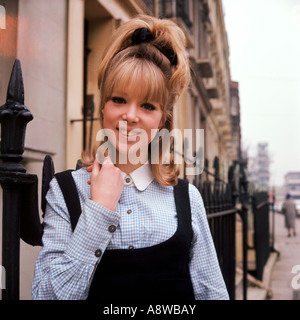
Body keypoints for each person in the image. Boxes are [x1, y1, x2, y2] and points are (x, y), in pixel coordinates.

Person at [32, 15, 229, 300]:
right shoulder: (65, 192)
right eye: (119, 100)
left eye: (147, 105)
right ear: (103, 109)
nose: (130, 115)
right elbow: (45, 296)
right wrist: (99, 209)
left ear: (162, 120)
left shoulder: (188, 199)